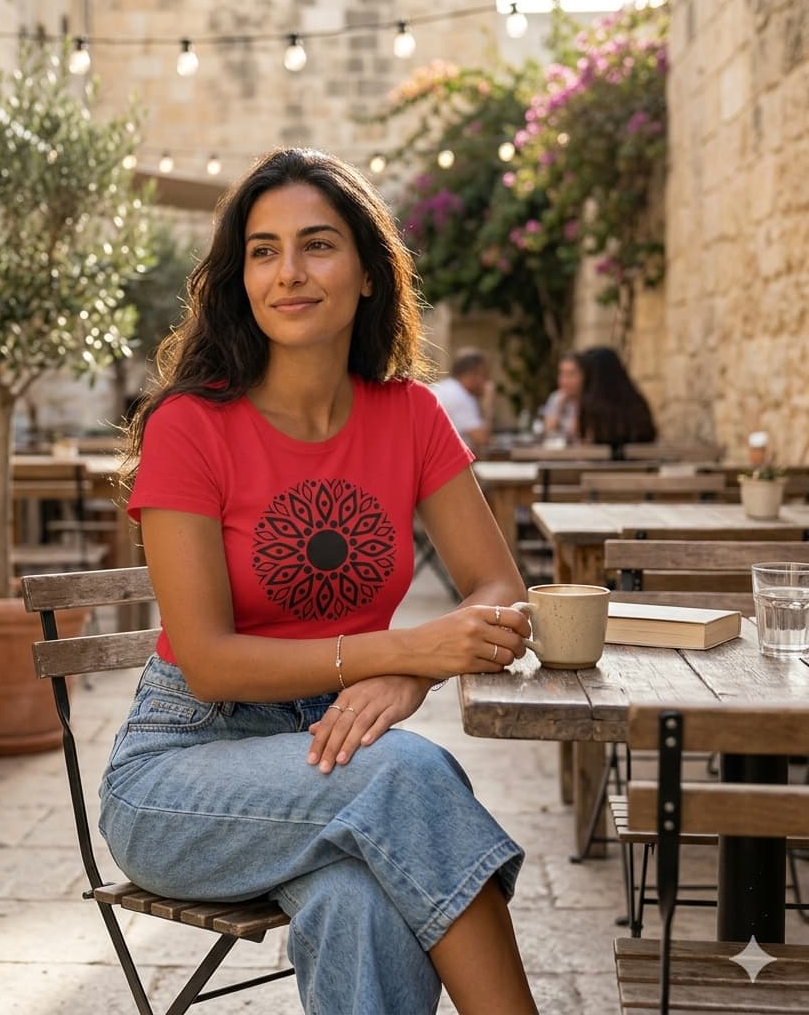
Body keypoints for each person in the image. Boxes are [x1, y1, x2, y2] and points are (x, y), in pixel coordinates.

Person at [103, 148, 537, 1014]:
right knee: (408, 776)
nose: (289, 273)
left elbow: (499, 587)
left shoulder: (410, 415)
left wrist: (406, 675)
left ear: (371, 274)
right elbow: (212, 662)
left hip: (329, 753)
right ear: (240, 276)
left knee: (365, 902)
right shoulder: (191, 427)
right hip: (185, 770)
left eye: (317, 245)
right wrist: (410, 646)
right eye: (263, 251)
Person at [576, 345, 656, 456]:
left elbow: (586, 446)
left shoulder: (591, 407)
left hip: (598, 471)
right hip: (642, 471)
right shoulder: (637, 404)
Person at [428, 347, 496, 452]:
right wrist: (488, 404)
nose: (486, 382)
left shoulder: (449, 388)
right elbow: (482, 439)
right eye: (484, 375)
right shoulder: (460, 396)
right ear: (473, 375)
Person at [541, 350, 583, 441]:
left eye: (571, 374)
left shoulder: (588, 399)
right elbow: (548, 431)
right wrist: (560, 405)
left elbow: (576, 432)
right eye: (562, 374)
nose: (564, 380)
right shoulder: (556, 397)